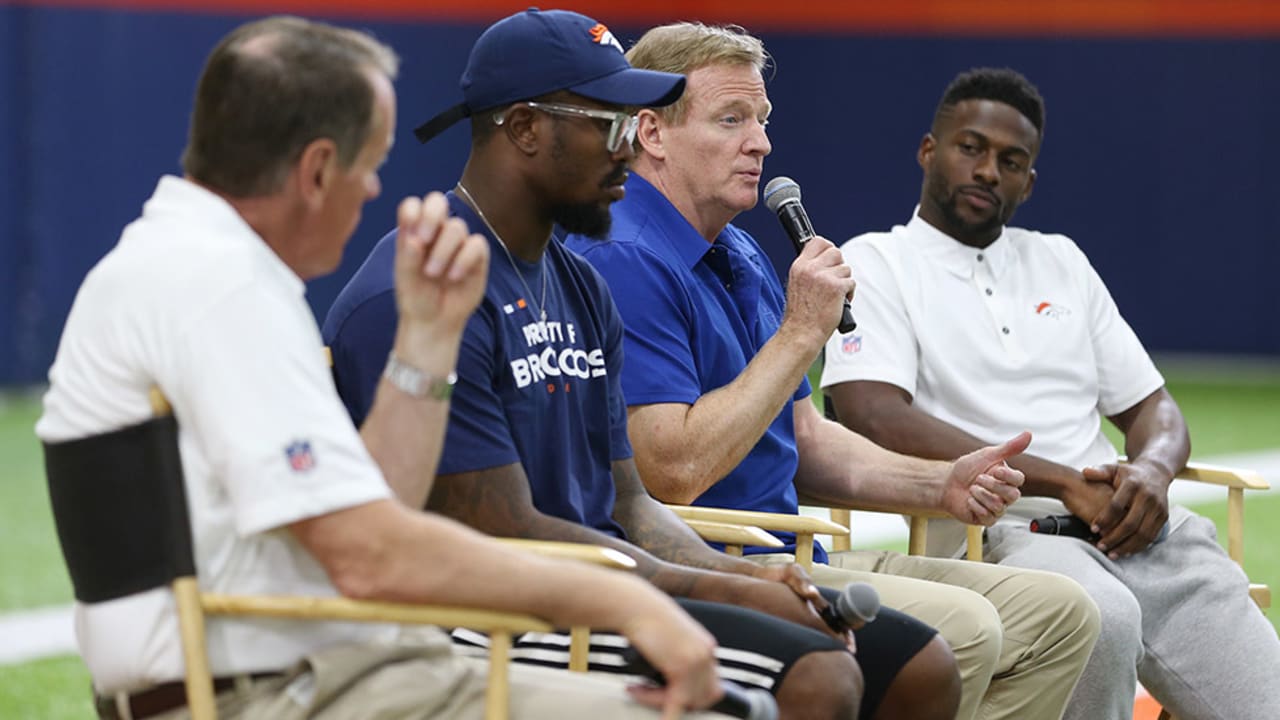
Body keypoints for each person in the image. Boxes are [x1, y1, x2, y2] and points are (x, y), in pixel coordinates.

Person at [35, 16, 734, 720]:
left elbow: (380, 513)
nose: (373, 191)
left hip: (331, 668)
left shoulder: (201, 266)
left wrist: (425, 347)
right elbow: (367, 556)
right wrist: (620, 596)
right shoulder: (216, 288)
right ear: (314, 170)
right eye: (367, 166)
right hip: (271, 691)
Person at [326, 9, 889, 720]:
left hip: (587, 583)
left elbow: (628, 503)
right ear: (526, 129)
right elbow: (503, 527)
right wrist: (722, 589)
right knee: (818, 676)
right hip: (484, 612)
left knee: (901, 659)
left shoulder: (578, 282)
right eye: (610, 122)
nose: (630, 148)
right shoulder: (422, 289)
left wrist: (738, 571)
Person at [564, 24, 1101, 720]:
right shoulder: (625, 256)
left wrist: (940, 481)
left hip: (788, 547)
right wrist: (798, 333)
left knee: (1061, 614)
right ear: (652, 133)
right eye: (731, 120)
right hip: (714, 560)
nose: (760, 142)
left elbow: (805, 440)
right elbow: (669, 472)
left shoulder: (739, 251)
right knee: (966, 629)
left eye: (761, 120)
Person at [819, 66, 1280, 720]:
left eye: (1010, 161)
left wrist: (1149, 472)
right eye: (970, 147)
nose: (987, 170)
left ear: (1028, 183)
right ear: (930, 150)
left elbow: (1154, 407)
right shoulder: (874, 263)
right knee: (1102, 615)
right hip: (994, 533)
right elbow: (871, 415)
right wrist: (1063, 482)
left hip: (1131, 529)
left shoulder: (1060, 260)